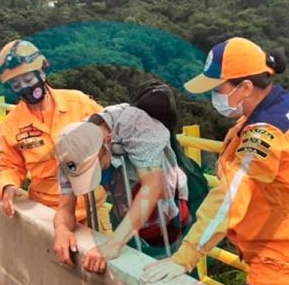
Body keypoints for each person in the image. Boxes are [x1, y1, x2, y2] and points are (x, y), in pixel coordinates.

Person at [144, 37, 289, 285]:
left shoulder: (265, 133)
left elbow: (230, 197)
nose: (214, 96)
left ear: (246, 87)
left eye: (218, 88)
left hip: (286, 261)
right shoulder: (278, 108)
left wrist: (186, 256)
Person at [53, 100, 189, 274]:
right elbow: (66, 207)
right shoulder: (70, 150)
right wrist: (61, 229)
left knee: (174, 266)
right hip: (124, 206)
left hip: (168, 210)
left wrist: (113, 244)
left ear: (107, 142)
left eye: (95, 169)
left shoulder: (135, 125)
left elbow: (153, 186)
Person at [0, 39, 108, 227]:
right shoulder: (11, 124)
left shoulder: (79, 103)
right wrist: (7, 186)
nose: (25, 87)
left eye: (28, 80)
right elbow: (9, 165)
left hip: (91, 208)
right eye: (16, 84)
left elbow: (110, 133)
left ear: (42, 72)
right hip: (48, 212)